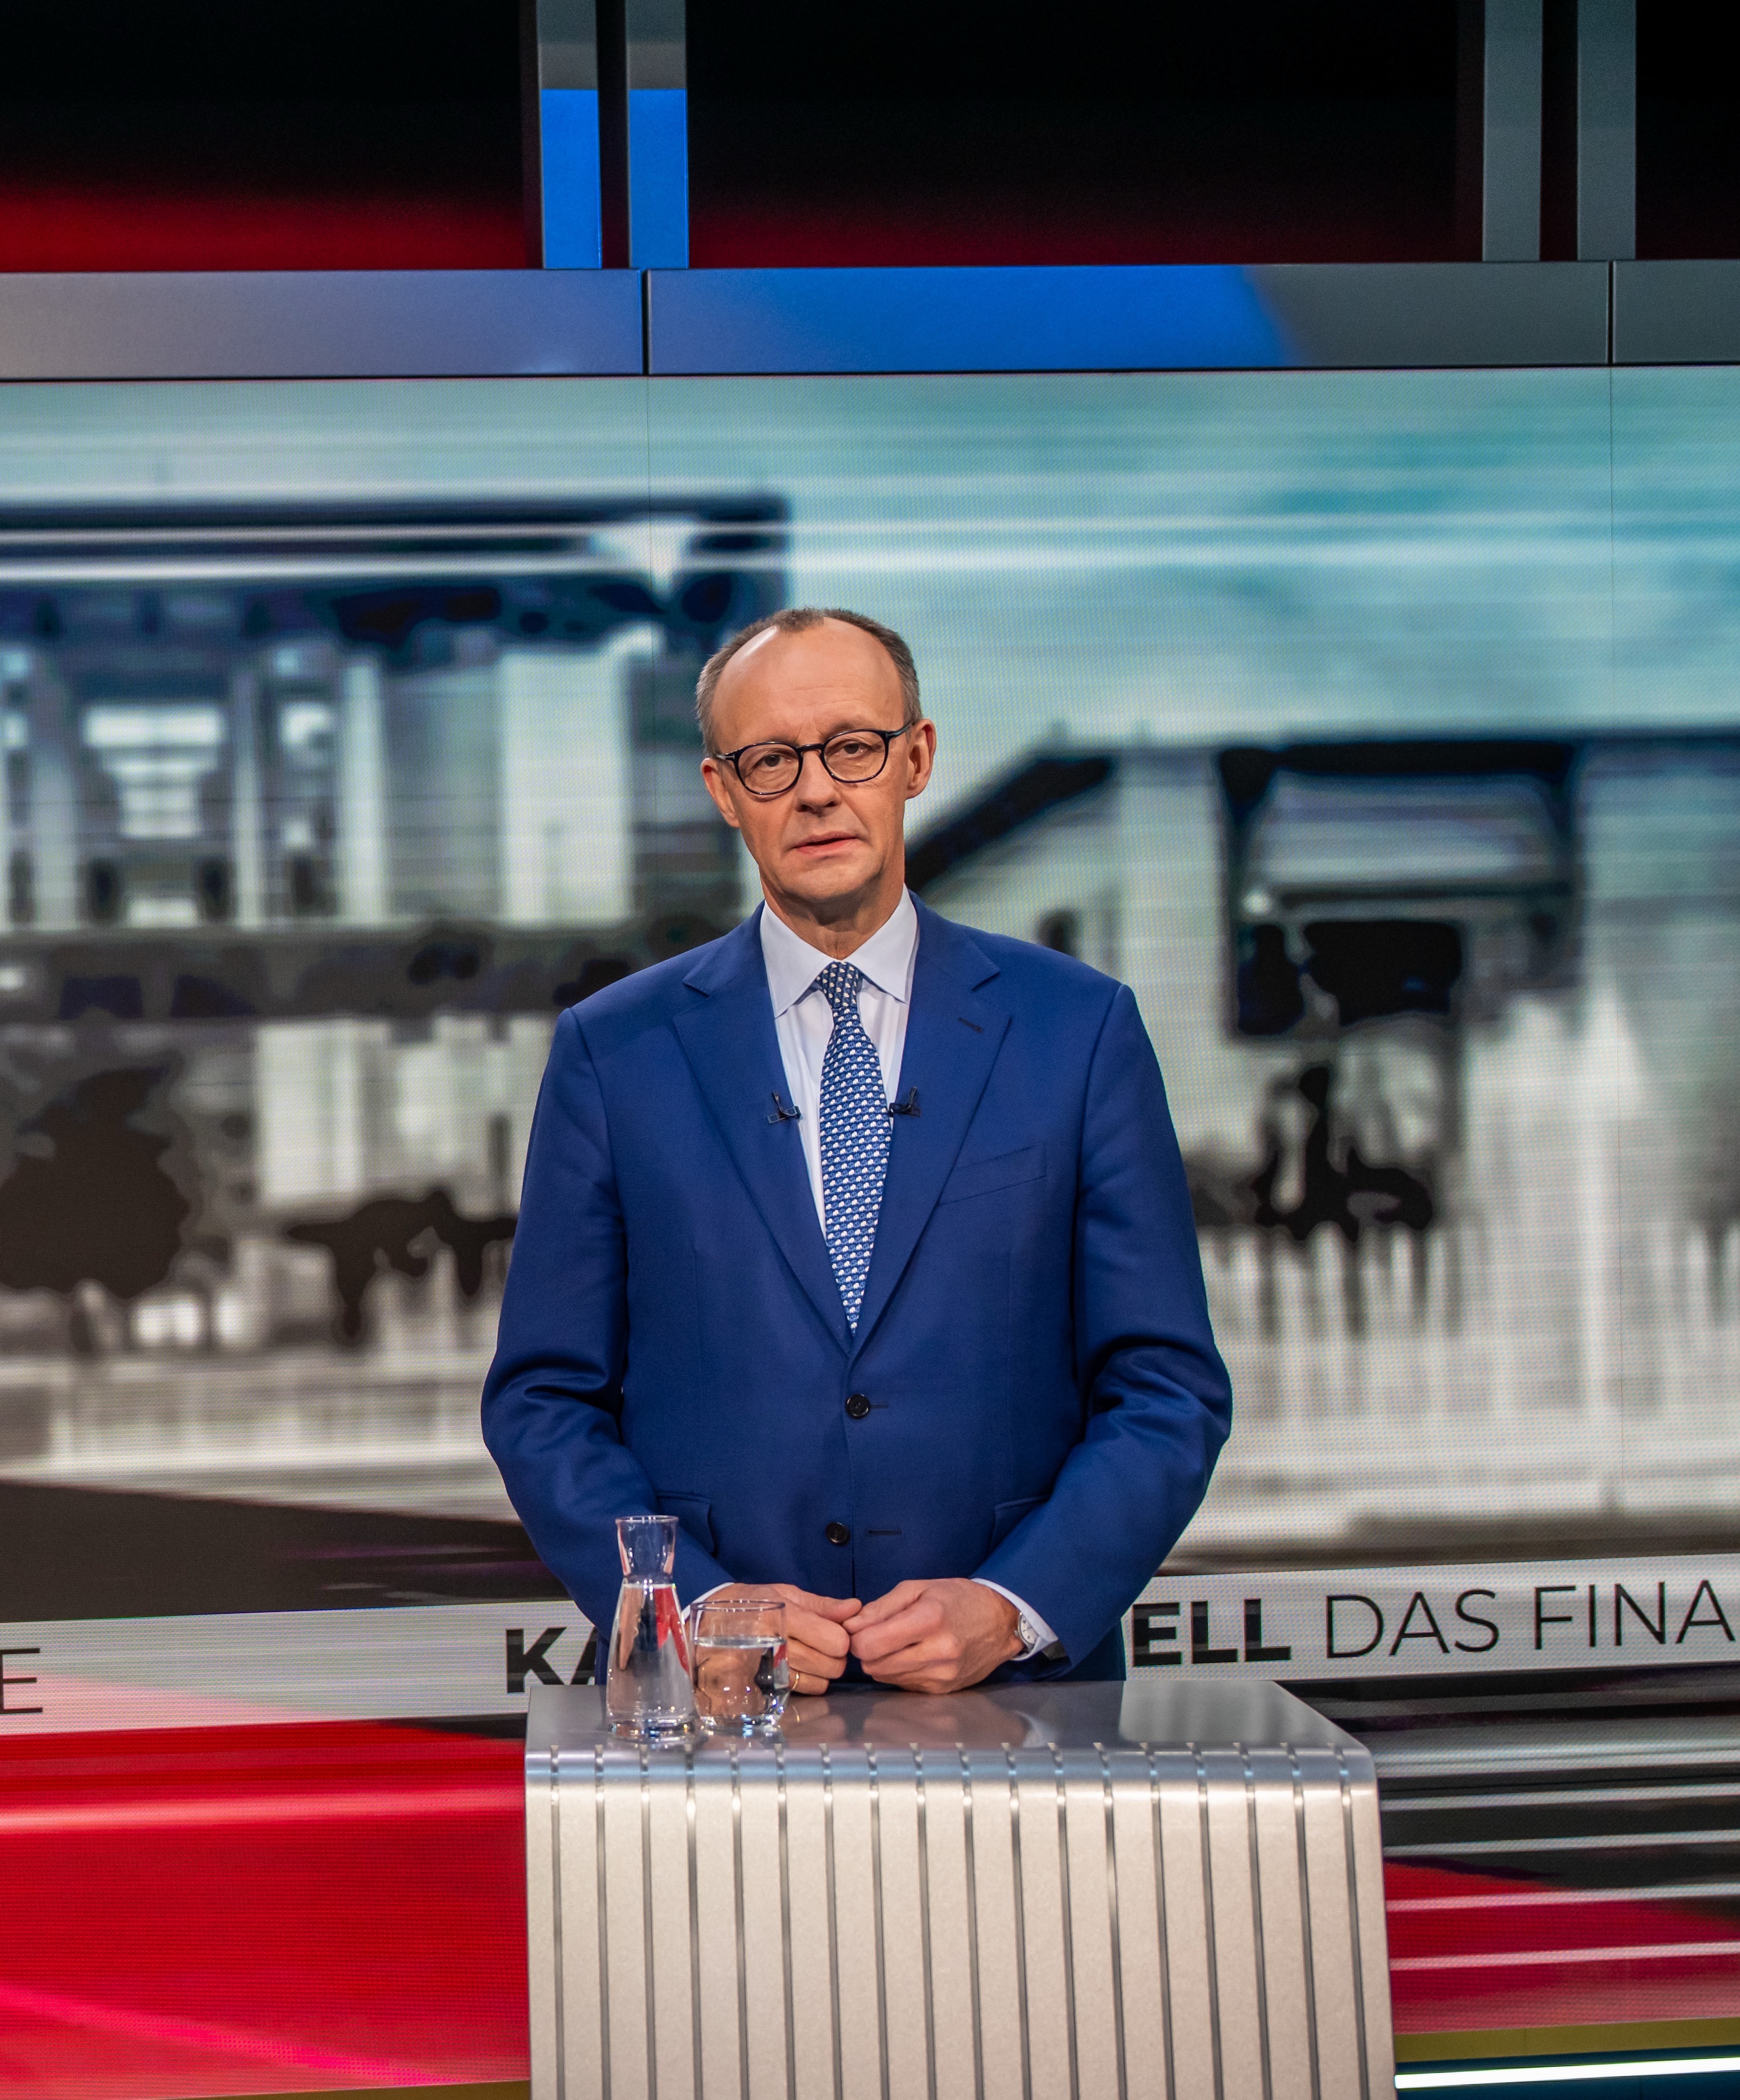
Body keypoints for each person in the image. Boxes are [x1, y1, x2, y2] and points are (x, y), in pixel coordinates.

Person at [481, 608, 1229, 1692]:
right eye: (771, 760)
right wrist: (695, 1609)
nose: (816, 789)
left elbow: (1166, 1384)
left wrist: (1018, 1604)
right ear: (722, 790)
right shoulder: (614, 1050)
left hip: (1014, 1704)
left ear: (915, 757)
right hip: (713, 1712)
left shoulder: (1079, 1028)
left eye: (851, 746)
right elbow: (543, 1399)